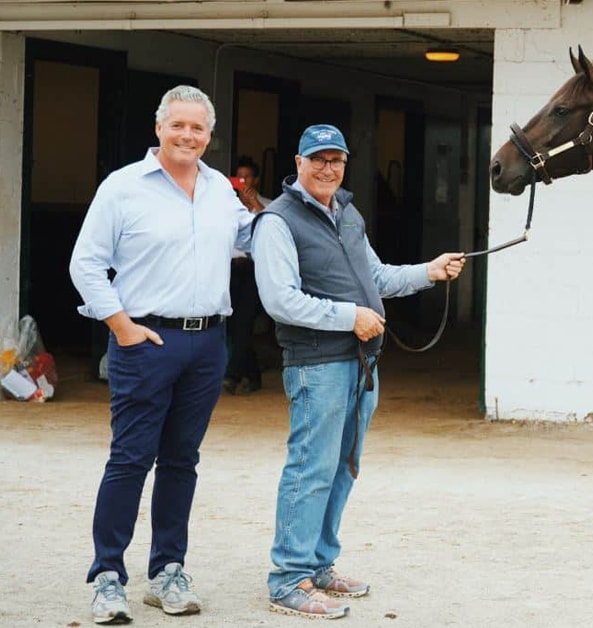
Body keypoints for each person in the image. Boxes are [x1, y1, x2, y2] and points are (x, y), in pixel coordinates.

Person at [252, 124, 464, 619]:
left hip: (360, 364)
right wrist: (351, 317)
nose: (329, 168)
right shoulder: (277, 222)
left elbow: (378, 277)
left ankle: (320, 564)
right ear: (298, 163)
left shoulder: (347, 214)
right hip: (316, 365)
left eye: (337, 160)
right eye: (319, 159)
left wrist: (429, 272)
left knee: (343, 467)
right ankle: (288, 578)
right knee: (311, 468)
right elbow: (280, 300)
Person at [69, 85, 253, 624]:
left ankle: (168, 571)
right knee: (130, 458)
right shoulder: (122, 187)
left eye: (198, 128)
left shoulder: (222, 190)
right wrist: (121, 326)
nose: (188, 136)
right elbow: (86, 263)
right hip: (145, 340)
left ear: (209, 135)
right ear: (159, 128)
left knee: (181, 461)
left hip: (207, 343)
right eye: (179, 126)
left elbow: (251, 241)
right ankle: (107, 576)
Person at [224, 155, 273, 395]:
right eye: (239, 177)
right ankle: (251, 374)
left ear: (256, 179)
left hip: (253, 269)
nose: (243, 181)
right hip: (227, 269)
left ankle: (233, 375)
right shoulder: (224, 205)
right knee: (232, 325)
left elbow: (274, 233)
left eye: (248, 176)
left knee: (244, 322)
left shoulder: (269, 204)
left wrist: (256, 206)